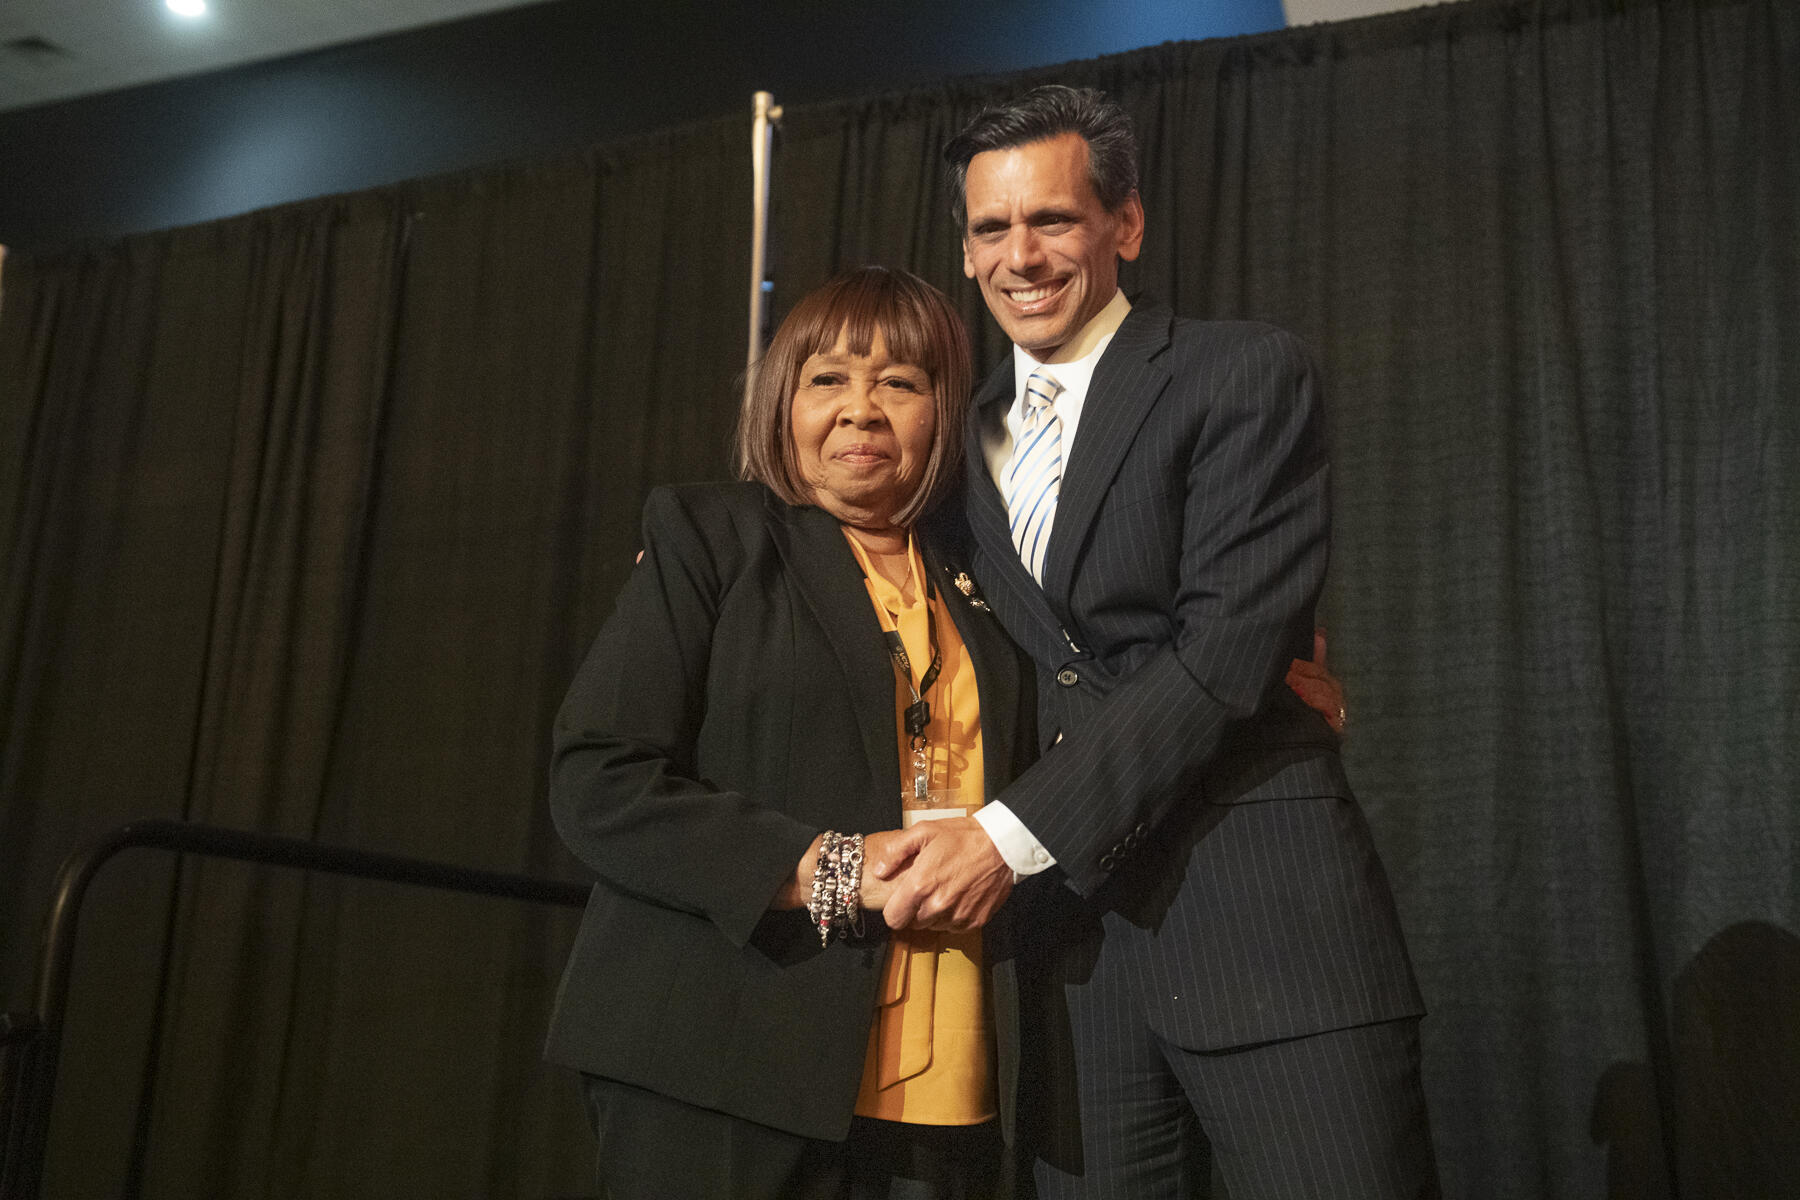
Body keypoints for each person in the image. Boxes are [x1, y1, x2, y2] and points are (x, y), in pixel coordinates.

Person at [544, 266, 1353, 1199]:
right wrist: (818, 868)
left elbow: (1120, 706)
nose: (861, 411)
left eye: (900, 382)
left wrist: (1267, 695)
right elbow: (598, 778)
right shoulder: (711, 538)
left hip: (952, 1082)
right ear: (783, 405)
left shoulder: (995, 578)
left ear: (950, 412)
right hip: (725, 1062)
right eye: (828, 381)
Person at [872, 86, 1440, 1198]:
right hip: (1067, 971)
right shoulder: (947, 447)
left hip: (1269, 933)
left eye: (1053, 221)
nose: (1020, 256)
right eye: (992, 229)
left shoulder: (1241, 373)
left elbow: (1229, 644)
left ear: (1123, 226)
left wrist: (1010, 835)